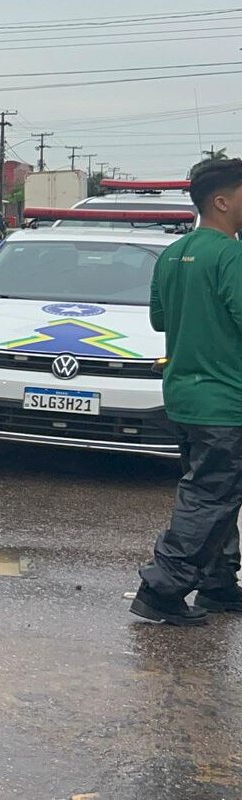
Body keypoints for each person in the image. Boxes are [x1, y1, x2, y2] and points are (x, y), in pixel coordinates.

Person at [131, 157, 242, 626]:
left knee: (215, 493)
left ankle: (218, 584)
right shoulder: (230, 255)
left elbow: (160, 319)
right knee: (211, 497)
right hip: (226, 400)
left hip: (184, 396)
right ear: (222, 202)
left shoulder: (172, 254)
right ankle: (162, 589)